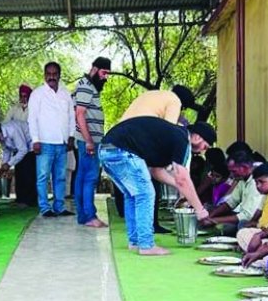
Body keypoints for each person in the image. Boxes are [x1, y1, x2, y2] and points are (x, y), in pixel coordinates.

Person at [100, 117, 215, 255]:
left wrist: (179, 187)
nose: (203, 151)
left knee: (132, 195)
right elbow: (182, 178)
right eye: (205, 146)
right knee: (146, 194)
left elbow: (156, 171)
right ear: (197, 137)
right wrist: (200, 211)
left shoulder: (171, 137)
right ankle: (146, 245)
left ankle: (135, 242)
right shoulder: (182, 139)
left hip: (106, 150)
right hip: (122, 151)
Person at [116, 84, 203, 232]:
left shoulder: (155, 95)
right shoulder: (174, 101)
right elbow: (168, 129)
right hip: (138, 135)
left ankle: (127, 217)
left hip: (121, 134)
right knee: (151, 183)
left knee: (129, 185)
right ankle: (152, 225)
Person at [28, 61, 76, 217]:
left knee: (60, 177)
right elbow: (32, 118)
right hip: (44, 142)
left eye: (55, 74)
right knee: (43, 176)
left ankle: (59, 207)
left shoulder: (65, 93)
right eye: (48, 74)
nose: (52, 77)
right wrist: (35, 140)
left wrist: (71, 136)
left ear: (59, 75)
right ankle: (44, 208)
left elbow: (71, 116)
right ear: (44, 75)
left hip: (62, 143)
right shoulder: (37, 94)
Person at [73, 57, 111, 228]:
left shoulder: (88, 86)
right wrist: (89, 141)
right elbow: (80, 114)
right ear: (94, 69)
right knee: (89, 178)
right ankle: (89, 216)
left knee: (82, 177)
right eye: (104, 73)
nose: (105, 77)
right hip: (88, 142)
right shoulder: (86, 86)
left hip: (89, 141)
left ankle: (83, 216)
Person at [202, 150, 263, 236]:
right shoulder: (242, 179)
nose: (232, 175)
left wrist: (215, 220)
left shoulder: (256, 182)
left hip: (253, 222)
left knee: (237, 225)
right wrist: (210, 216)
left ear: (244, 168)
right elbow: (230, 203)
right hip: (243, 218)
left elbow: (246, 216)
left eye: (234, 171)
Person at [0, 120, 37, 207]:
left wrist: (9, 164)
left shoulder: (13, 130)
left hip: (30, 148)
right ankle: (20, 199)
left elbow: (23, 149)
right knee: (19, 173)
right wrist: (3, 165)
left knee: (27, 174)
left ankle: (28, 201)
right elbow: (6, 151)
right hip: (19, 150)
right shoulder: (1, 136)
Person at [236, 162, 268, 252]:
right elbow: (258, 212)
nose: (258, 186)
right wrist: (251, 223)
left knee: (243, 231)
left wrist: (252, 225)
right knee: (243, 224)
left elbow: (263, 226)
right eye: (256, 182)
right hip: (266, 232)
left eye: (261, 182)